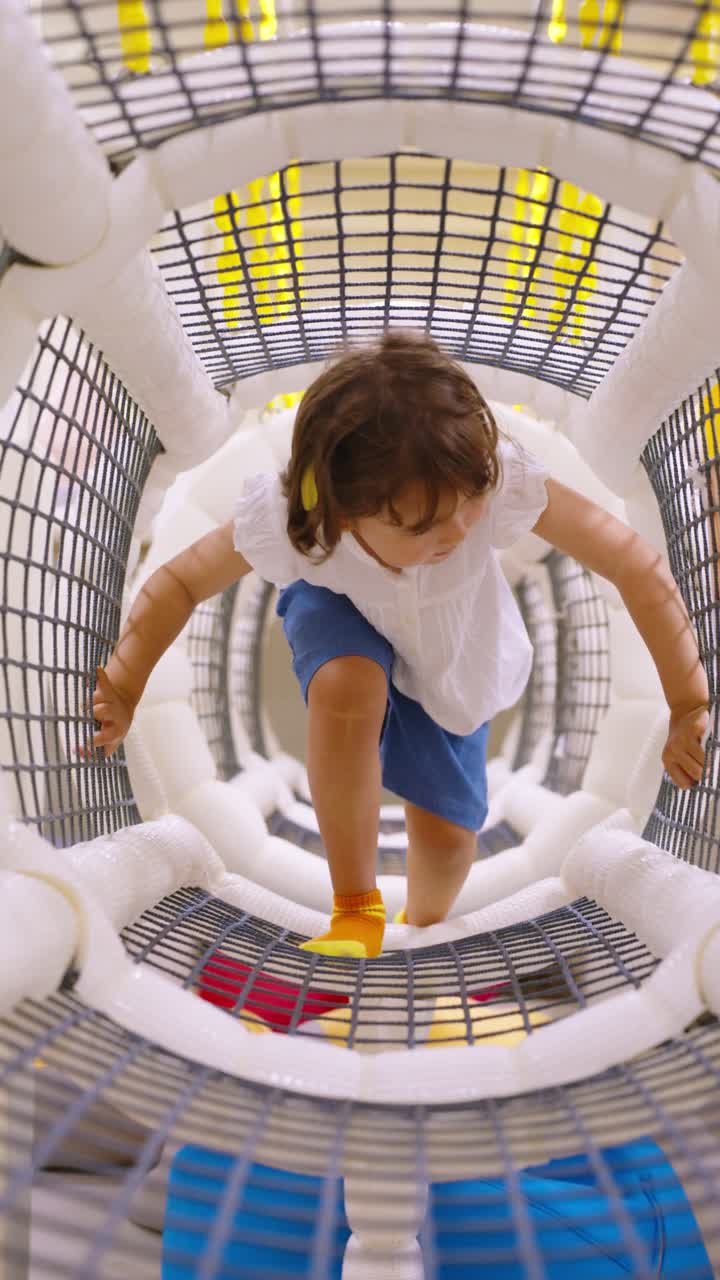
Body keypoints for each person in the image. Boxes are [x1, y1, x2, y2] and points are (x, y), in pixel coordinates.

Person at [82, 331, 710, 960]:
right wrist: (126, 685)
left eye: (469, 504)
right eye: (424, 525)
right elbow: (182, 580)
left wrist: (687, 702)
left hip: (453, 655)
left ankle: (420, 923)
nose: (461, 529)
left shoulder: (493, 484)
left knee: (444, 850)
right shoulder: (292, 520)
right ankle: (355, 906)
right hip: (340, 608)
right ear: (343, 511)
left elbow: (634, 564)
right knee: (348, 685)